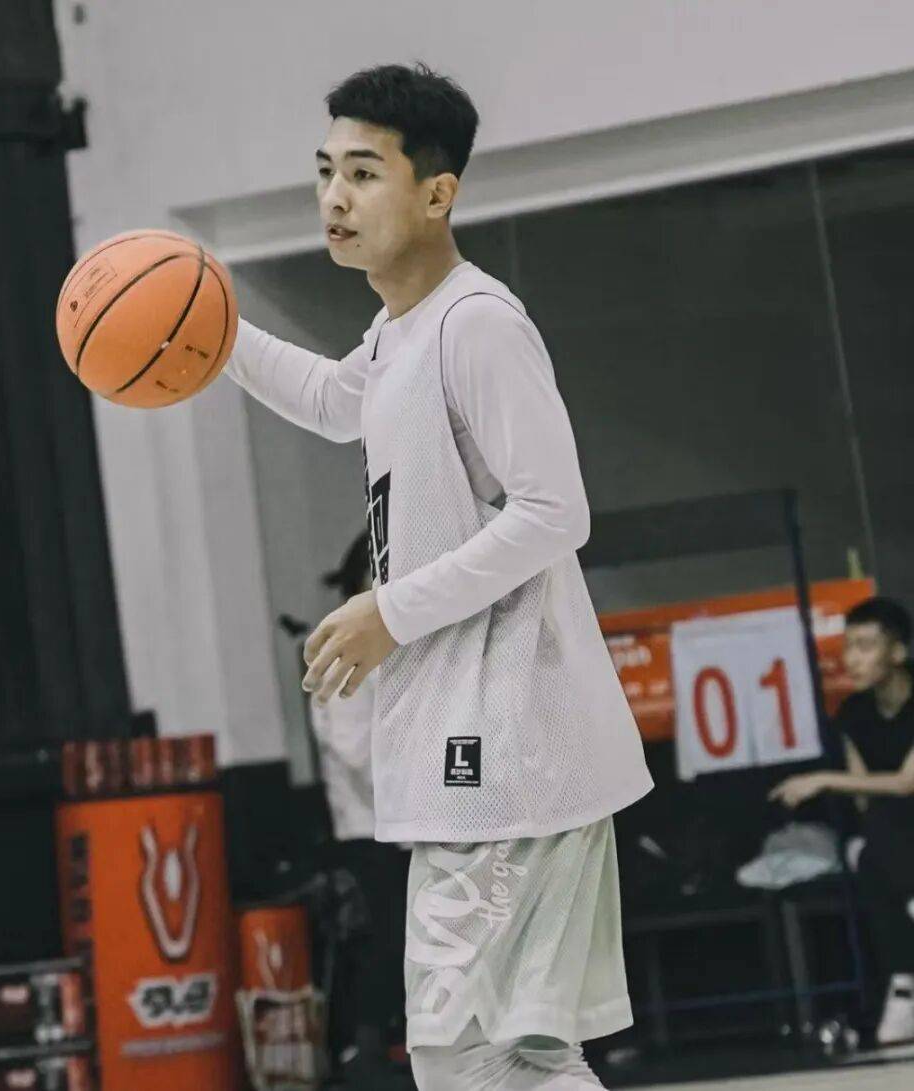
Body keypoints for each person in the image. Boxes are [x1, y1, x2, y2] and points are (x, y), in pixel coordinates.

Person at [224, 63, 653, 1090]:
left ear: (436, 192)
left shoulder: (478, 323)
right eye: (325, 171)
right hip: (487, 750)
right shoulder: (400, 332)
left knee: (475, 1056)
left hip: (510, 746)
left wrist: (390, 610)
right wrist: (214, 333)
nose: (334, 196)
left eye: (364, 173)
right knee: (502, 1055)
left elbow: (555, 511)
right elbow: (333, 401)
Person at [771, 597, 914, 1046]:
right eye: (848, 646)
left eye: (866, 646)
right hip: (896, 836)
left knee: (876, 846)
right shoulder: (852, 713)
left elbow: (906, 783)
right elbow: (864, 794)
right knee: (871, 852)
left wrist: (820, 780)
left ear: (898, 652)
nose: (852, 658)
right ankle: (904, 987)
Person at [310, 531, 410, 1086]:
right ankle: (365, 1054)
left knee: (415, 938)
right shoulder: (340, 645)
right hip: (370, 827)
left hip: (400, 821)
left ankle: (399, 1047)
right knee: (388, 939)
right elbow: (353, 750)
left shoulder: (388, 643)